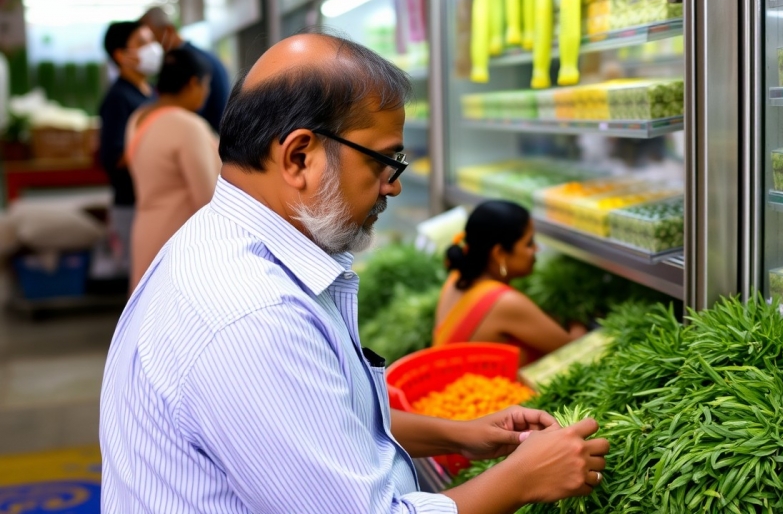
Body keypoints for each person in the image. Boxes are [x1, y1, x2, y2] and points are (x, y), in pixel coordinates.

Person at [100, 32, 608, 514]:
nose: (393, 187)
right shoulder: (252, 316)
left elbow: (320, 428)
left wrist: (462, 434)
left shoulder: (223, 245)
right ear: (300, 157)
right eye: (384, 161)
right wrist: (522, 477)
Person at [434, 201, 588, 365]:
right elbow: (576, 352)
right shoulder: (505, 302)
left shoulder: (457, 277)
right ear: (499, 253)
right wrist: (579, 320)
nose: (537, 249)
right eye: (529, 243)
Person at [125, 48, 219, 292]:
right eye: (205, 85)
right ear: (192, 83)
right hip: (179, 239)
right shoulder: (188, 126)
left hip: (145, 231)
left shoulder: (138, 118)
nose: (206, 92)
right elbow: (207, 200)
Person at [99, 21, 162, 276]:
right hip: (131, 205)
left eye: (152, 41)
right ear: (121, 55)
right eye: (142, 43)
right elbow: (113, 157)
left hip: (152, 201)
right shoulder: (118, 98)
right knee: (139, 276)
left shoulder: (150, 93)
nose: (153, 49)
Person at [140, 7, 230, 132]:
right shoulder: (180, 60)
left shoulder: (195, 62)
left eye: (152, 39)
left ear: (169, 30)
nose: (149, 47)